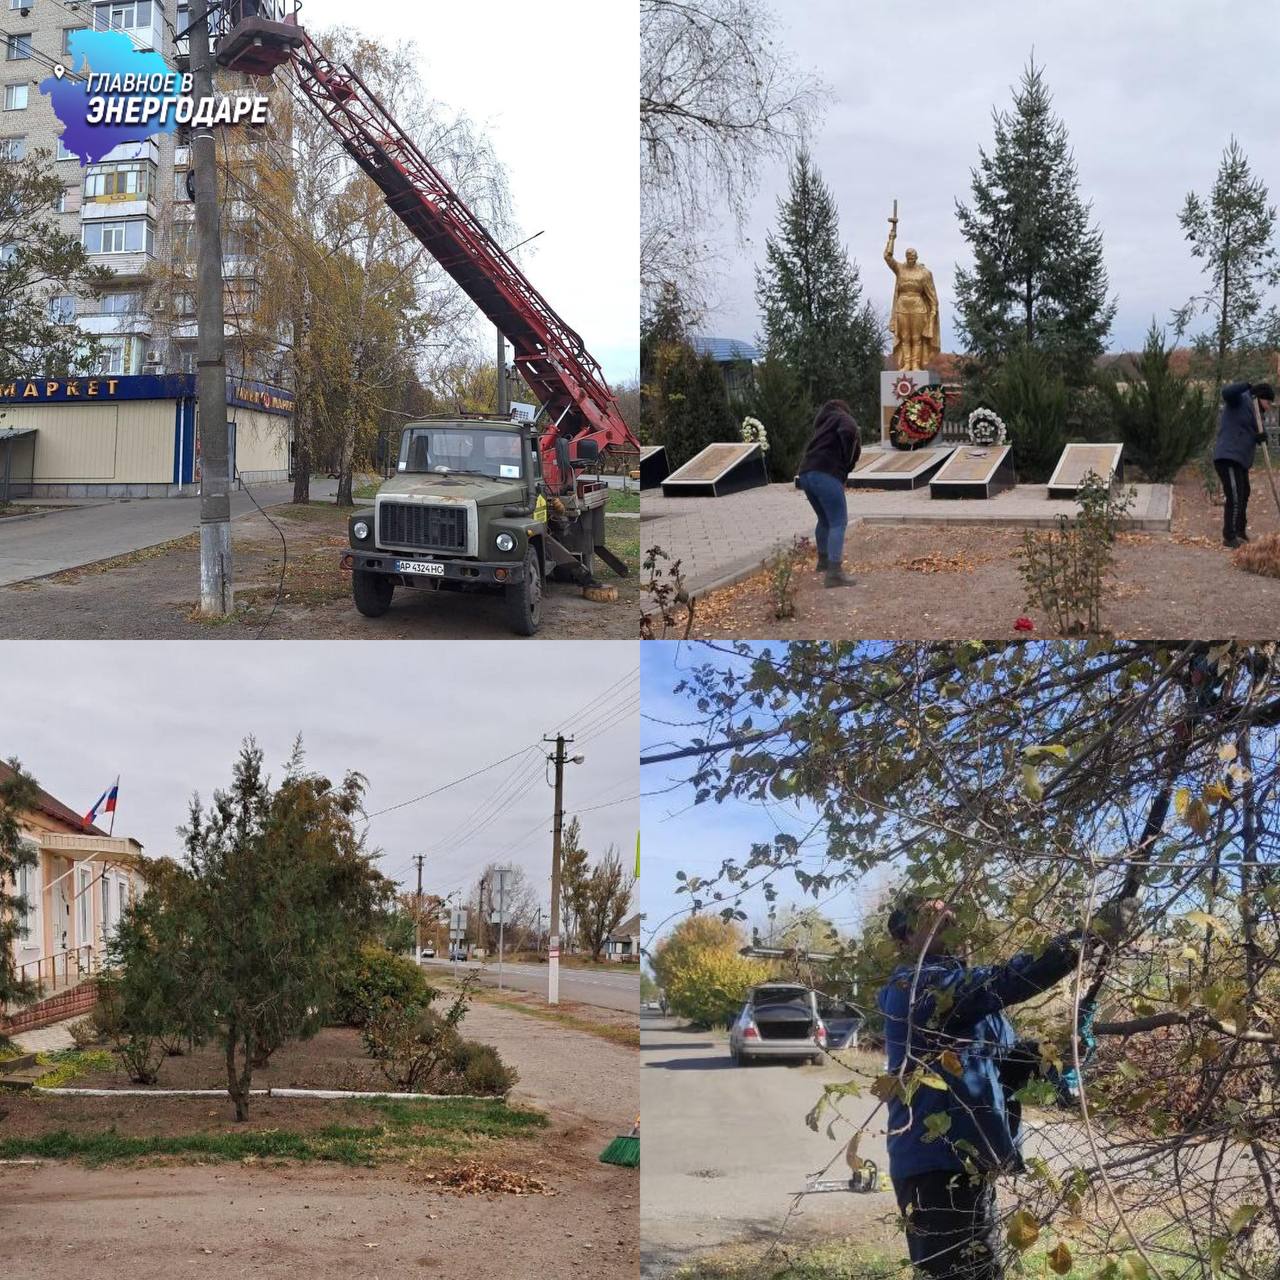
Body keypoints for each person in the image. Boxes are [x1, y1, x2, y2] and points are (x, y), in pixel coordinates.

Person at [877, 894, 1137, 1279]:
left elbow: (1008, 1068)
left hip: (971, 1165)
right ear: (904, 940)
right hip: (933, 1165)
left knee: (983, 1272)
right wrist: (1087, 937)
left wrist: (1060, 1051)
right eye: (930, 918)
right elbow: (1008, 981)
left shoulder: (978, 1007)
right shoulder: (914, 988)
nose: (949, 916)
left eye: (951, 910)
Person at [795, 399, 862, 588]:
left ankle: (823, 562)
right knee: (838, 522)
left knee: (824, 519)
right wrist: (846, 461)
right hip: (826, 472)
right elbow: (849, 431)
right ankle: (834, 572)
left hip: (806, 474)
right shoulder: (843, 418)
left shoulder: (824, 426)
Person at [1213, 381, 1273, 548]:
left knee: (1244, 493)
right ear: (1260, 398)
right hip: (1228, 456)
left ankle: (1239, 531)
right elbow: (1226, 393)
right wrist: (1246, 385)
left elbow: (1250, 431)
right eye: (1268, 402)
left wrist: (1260, 437)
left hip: (1241, 461)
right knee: (1235, 495)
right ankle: (1229, 536)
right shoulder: (1240, 400)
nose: (1269, 407)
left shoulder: (1257, 413)